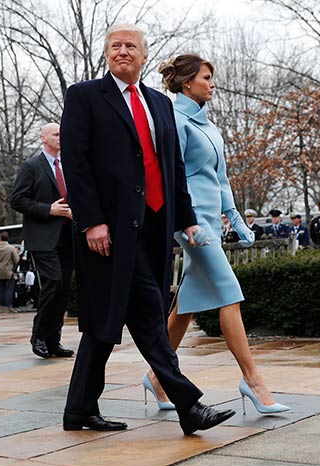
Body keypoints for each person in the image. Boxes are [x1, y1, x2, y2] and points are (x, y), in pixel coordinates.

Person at [61, 23, 235, 435]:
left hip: (153, 229)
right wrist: (92, 222)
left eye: (131, 46)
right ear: (107, 54)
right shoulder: (85, 96)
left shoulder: (159, 103)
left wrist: (188, 220)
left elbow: (172, 168)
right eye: (115, 46)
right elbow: (76, 162)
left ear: (143, 56)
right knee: (148, 321)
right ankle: (189, 405)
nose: (123, 51)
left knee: (107, 325)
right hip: (108, 233)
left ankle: (78, 409)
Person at [145, 53, 289, 416]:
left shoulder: (210, 126)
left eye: (212, 77)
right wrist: (186, 221)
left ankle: (157, 376)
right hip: (191, 223)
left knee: (185, 307)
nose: (212, 83)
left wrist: (237, 221)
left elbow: (220, 179)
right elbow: (170, 177)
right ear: (185, 82)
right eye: (206, 77)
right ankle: (252, 380)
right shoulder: (174, 120)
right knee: (229, 293)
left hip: (211, 220)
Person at [11, 122, 75, 359]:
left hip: (68, 237)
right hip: (42, 238)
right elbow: (17, 200)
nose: (61, 137)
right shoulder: (31, 166)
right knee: (53, 283)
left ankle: (53, 341)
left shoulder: (68, 166)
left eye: (62, 133)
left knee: (62, 289)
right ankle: (38, 336)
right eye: (56, 134)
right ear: (44, 138)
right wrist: (49, 209)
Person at [0, 232, 19, 308]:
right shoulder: (11, 248)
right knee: (9, 290)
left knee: (0, 290)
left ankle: (1, 306)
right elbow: (17, 260)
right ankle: (8, 306)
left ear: (0, 238)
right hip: (9, 272)